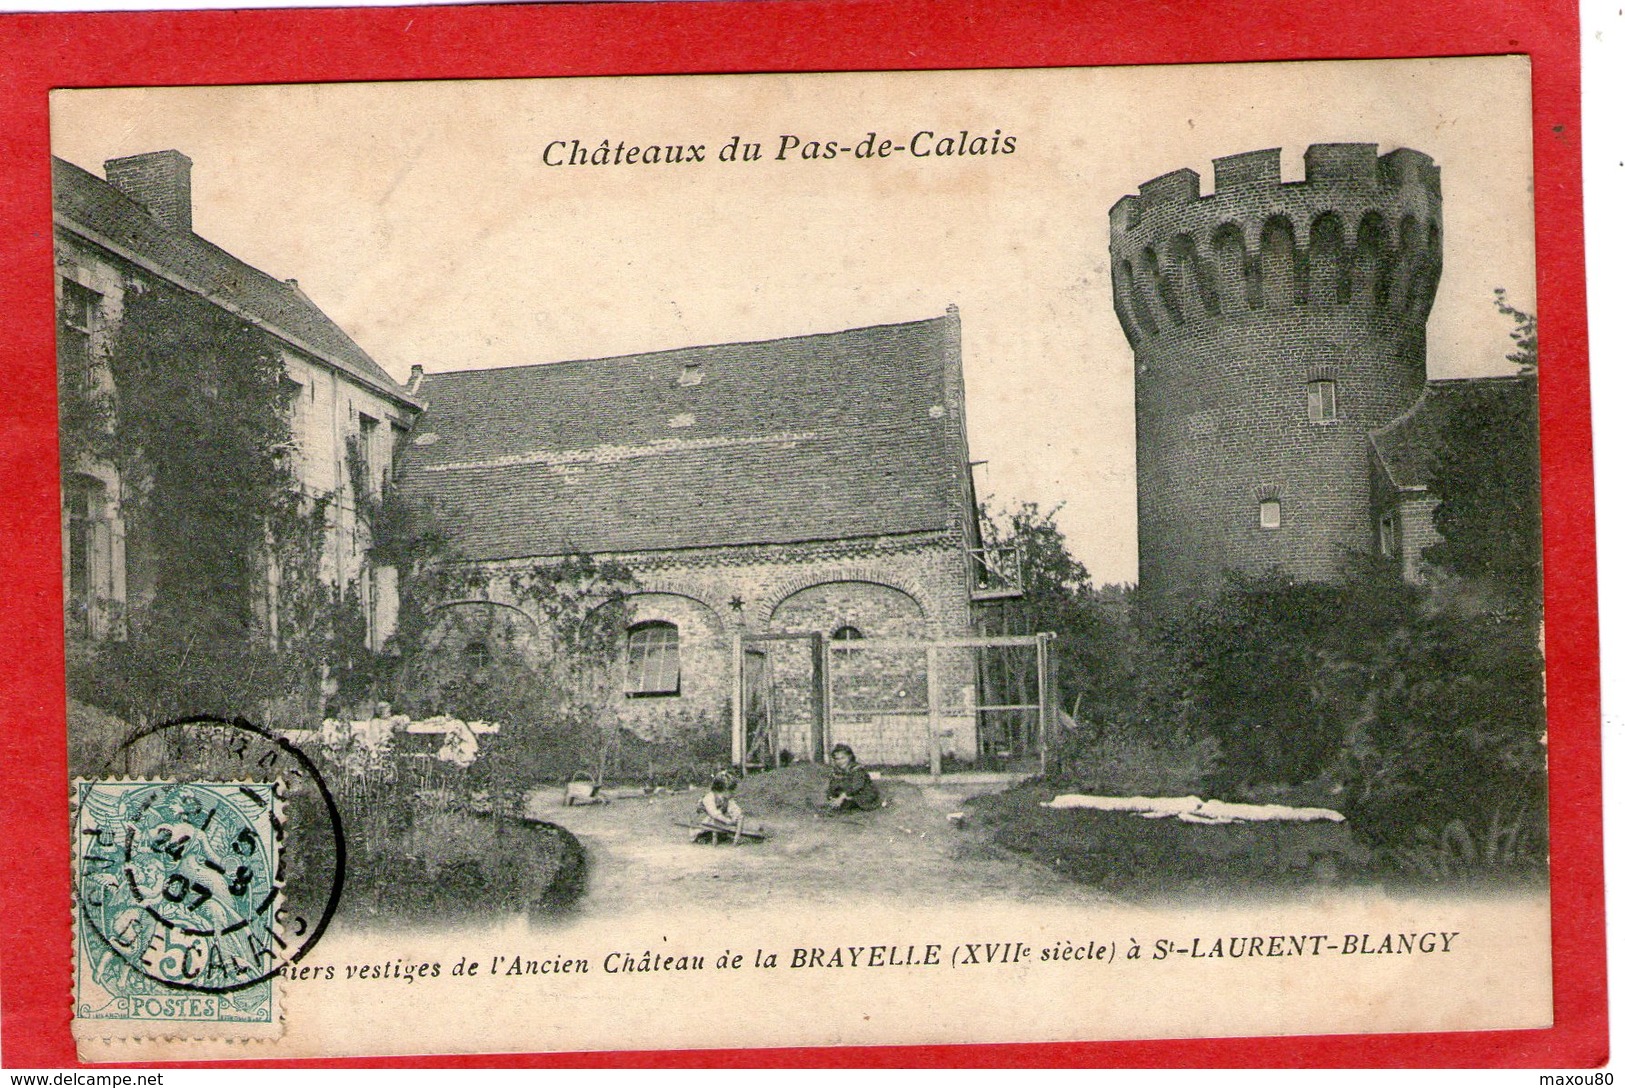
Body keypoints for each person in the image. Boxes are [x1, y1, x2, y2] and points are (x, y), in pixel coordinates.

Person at [824, 744, 883, 811]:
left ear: (850, 757)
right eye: (837, 759)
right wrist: (831, 796)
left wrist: (842, 797)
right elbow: (832, 786)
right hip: (845, 795)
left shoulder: (857, 770)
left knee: (848, 805)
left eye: (843, 758)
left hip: (861, 794)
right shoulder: (836, 771)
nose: (840, 761)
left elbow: (856, 787)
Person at [692, 771, 746, 843]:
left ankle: (720, 836)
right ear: (722, 790)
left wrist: (736, 815)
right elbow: (714, 814)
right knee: (714, 819)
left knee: (724, 820)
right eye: (730, 791)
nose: (733, 794)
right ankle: (701, 837)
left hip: (716, 824)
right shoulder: (709, 798)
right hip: (703, 824)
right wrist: (727, 821)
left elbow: (734, 808)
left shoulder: (726, 799)